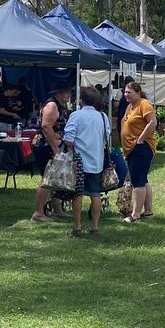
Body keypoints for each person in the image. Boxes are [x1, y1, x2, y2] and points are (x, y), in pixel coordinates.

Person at [62, 88, 111, 236]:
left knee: (77, 195)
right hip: (96, 161)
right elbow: (106, 135)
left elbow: (69, 138)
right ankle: (95, 226)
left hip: (79, 161)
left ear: (81, 100)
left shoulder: (76, 115)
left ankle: (77, 226)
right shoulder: (102, 117)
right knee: (95, 194)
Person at [31, 86, 73, 221]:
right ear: (58, 92)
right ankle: (38, 213)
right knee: (47, 179)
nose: (68, 94)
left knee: (54, 178)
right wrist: (55, 148)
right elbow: (45, 126)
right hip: (46, 146)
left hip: (53, 145)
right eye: (66, 92)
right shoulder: (52, 105)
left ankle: (57, 210)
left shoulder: (59, 105)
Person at [120, 81, 157, 223]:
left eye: (129, 92)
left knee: (138, 182)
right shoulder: (130, 106)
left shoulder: (144, 104)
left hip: (141, 148)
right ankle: (148, 212)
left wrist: (141, 139)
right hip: (131, 149)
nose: (126, 95)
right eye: (125, 92)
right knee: (143, 179)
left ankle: (135, 214)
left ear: (138, 92)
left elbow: (152, 122)